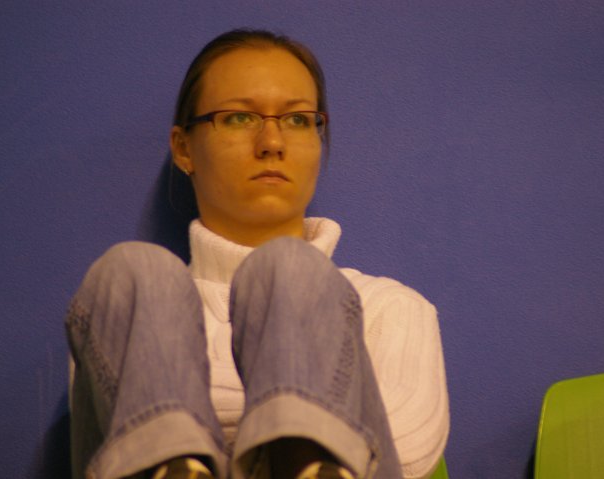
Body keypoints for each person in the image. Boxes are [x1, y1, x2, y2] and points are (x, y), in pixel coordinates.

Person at [65, 29, 449, 479]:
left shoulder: (388, 308)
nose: (272, 142)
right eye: (239, 118)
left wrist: (209, 423)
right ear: (184, 148)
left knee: (289, 268)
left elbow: (405, 453)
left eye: (298, 119)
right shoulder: (126, 310)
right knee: (132, 270)